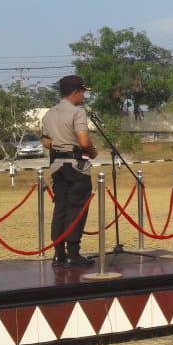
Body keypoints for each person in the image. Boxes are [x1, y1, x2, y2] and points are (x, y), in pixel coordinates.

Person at [41, 75, 99, 267]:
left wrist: (61, 142)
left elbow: (46, 142)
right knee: (77, 209)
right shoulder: (77, 112)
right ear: (75, 92)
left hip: (57, 167)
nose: (83, 96)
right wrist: (91, 151)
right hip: (77, 166)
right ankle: (73, 254)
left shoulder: (49, 114)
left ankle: (58, 254)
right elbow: (83, 141)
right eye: (82, 92)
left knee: (61, 208)